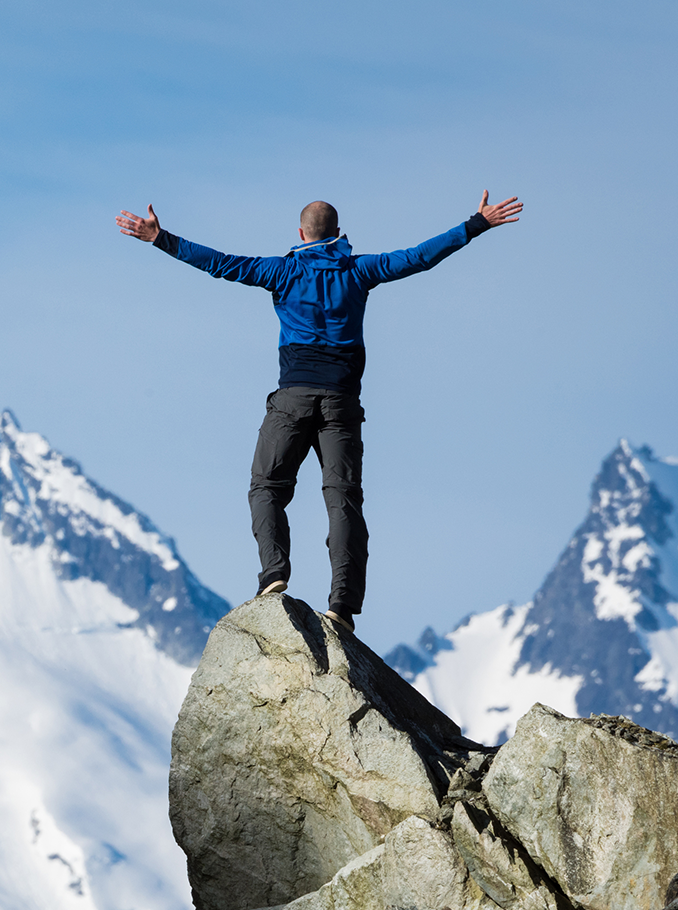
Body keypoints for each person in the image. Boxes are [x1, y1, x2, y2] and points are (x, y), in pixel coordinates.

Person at [115, 192, 522, 632]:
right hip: (342, 403)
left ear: (300, 234)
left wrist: (161, 238)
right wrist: (475, 224)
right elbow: (419, 257)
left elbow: (221, 263)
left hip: (292, 398)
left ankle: (274, 574)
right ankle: (343, 606)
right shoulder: (360, 269)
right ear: (339, 234)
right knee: (343, 498)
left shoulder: (281, 270)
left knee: (267, 486)